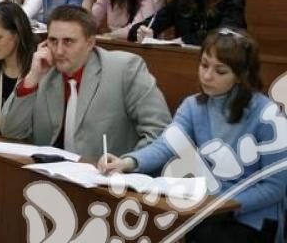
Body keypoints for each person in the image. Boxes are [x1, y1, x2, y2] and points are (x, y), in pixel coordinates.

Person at [100, 28, 286, 243]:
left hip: (251, 217)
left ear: (240, 76)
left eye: (220, 71)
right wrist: (127, 162)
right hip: (206, 208)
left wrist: (223, 204)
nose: (207, 76)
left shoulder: (266, 115)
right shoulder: (193, 106)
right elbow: (165, 146)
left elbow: (275, 187)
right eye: (204, 65)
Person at [0, 5, 171, 159]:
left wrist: (128, 163)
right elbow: (11, 131)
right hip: (52, 175)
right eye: (53, 41)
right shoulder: (43, 71)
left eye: (68, 41)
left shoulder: (125, 69)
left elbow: (161, 133)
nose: (58, 51)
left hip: (109, 178)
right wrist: (32, 78)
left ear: (90, 43)